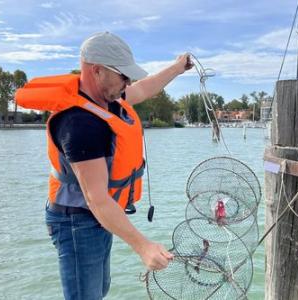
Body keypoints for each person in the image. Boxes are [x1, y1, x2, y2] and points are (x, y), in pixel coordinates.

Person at [15, 31, 193, 299]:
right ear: (97, 71)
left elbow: (145, 88)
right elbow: (96, 199)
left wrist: (178, 68)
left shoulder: (108, 99)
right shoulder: (80, 124)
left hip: (99, 217)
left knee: (100, 290)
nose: (128, 81)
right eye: (123, 75)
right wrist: (143, 246)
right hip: (77, 221)